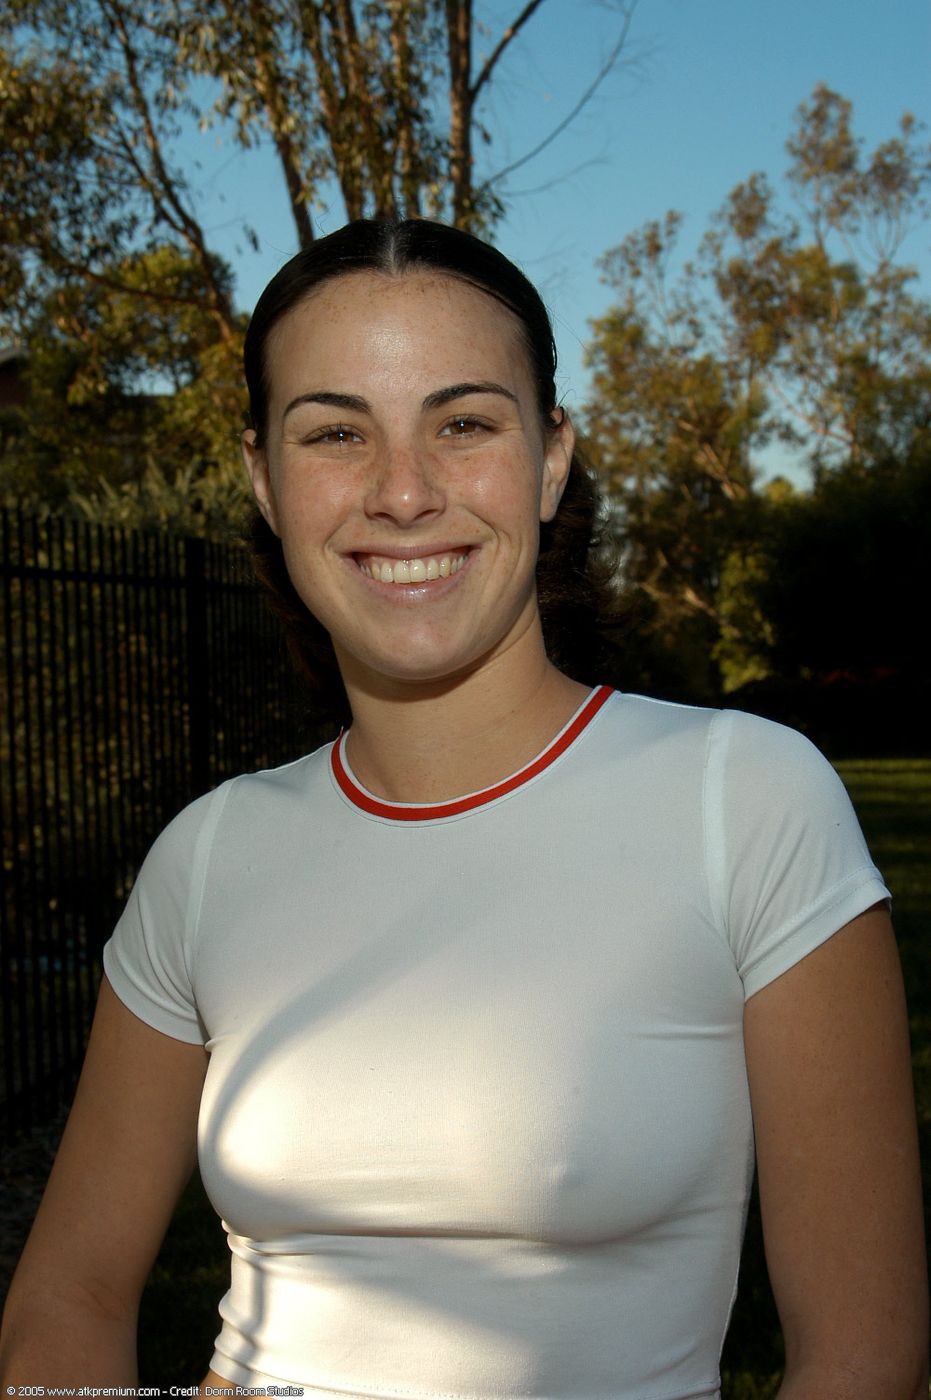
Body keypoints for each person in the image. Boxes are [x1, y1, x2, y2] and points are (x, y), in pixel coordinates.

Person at [0, 218, 926, 1399]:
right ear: (263, 479)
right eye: (337, 431)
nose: (402, 491)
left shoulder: (743, 800)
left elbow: (866, 1360)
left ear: (550, 458)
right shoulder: (207, 852)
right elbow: (69, 1295)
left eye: (464, 423)